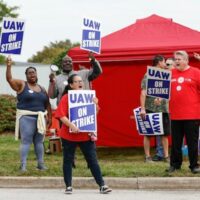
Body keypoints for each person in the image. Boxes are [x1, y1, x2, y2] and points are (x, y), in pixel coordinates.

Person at [55, 74, 112, 194]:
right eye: (76, 81)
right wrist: (71, 125)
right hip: (69, 136)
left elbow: (93, 116)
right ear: (71, 85)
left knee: (92, 160)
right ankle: (68, 186)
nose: (80, 83)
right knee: (68, 160)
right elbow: (60, 115)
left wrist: (95, 105)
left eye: (81, 81)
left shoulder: (89, 96)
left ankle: (102, 185)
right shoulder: (66, 98)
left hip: (85, 136)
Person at [6, 56, 52, 172]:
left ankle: (40, 164)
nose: (32, 74)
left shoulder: (41, 88)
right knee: (26, 141)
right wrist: (9, 66)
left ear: (37, 75)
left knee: (39, 142)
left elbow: (47, 103)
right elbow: (9, 79)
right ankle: (23, 166)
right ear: (26, 75)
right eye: (30, 73)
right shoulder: (22, 85)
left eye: (34, 73)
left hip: (40, 118)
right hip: (26, 117)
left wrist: (50, 117)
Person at [166, 50, 200, 173]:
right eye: (175, 59)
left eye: (179, 59)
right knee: (176, 142)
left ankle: (194, 166)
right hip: (175, 114)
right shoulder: (170, 73)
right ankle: (175, 165)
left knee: (192, 142)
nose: (176, 61)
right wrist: (160, 98)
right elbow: (164, 91)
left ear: (186, 60)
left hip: (192, 114)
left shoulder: (196, 72)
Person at [140, 55, 170, 162]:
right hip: (150, 108)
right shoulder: (148, 75)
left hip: (164, 108)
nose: (165, 64)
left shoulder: (166, 75)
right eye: (164, 62)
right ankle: (147, 156)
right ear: (159, 62)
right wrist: (143, 108)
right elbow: (143, 93)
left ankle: (166, 156)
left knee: (164, 134)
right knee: (148, 133)